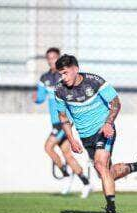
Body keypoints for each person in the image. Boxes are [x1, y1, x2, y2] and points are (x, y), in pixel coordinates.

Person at [54, 54, 137, 213]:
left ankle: (111, 211)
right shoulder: (59, 90)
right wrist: (72, 139)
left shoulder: (95, 81)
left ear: (75, 69)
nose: (63, 77)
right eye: (60, 74)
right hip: (85, 136)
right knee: (106, 173)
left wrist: (108, 123)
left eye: (65, 73)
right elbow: (63, 118)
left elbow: (116, 103)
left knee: (100, 165)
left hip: (104, 130)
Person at [33, 48, 91, 198]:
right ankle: (85, 183)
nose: (51, 60)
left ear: (58, 59)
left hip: (63, 122)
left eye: (54, 58)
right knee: (67, 154)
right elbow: (40, 98)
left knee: (48, 147)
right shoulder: (45, 78)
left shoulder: (64, 77)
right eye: (49, 58)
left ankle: (66, 175)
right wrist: (36, 98)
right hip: (54, 122)